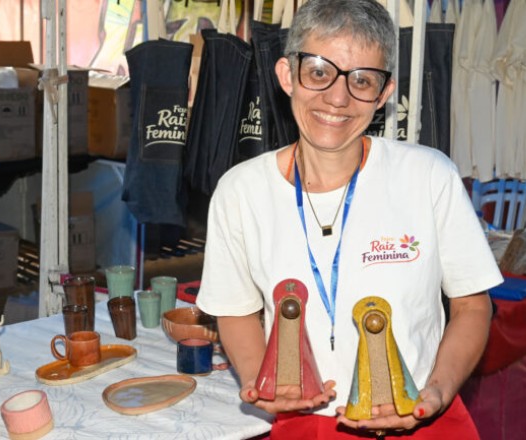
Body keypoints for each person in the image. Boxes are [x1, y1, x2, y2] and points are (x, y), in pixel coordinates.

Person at [195, 0, 504, 438]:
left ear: (384, 93)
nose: (337, 98)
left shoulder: (429, 176)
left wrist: (436, 390)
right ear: (287, 75)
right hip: (306, 426)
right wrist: (258, 381)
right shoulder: (240, 192)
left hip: (422, 421)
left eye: (362, 80)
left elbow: (473, 306)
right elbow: (236, 310)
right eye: (319, 71)